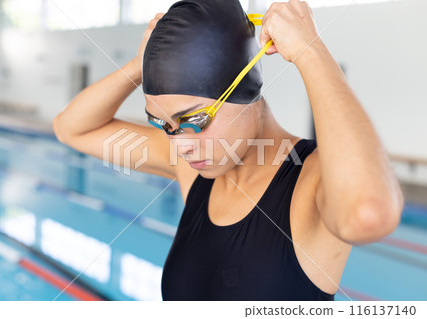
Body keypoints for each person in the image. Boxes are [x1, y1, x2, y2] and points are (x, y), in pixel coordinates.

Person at [53, 0, 403, 301]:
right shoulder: (194, 168)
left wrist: (311, 51)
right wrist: (139, 64)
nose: (182, 145)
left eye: (195, 120)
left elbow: (368, 215)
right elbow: (71, 129)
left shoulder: (311, 182)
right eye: (164, 125)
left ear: (247, 90)